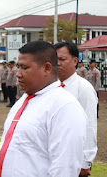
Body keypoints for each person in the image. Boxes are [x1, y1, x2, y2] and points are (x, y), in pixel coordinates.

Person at [0, 41, 86, 177]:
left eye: (24, 68)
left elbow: (64, 167)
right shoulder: (24, 101)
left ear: (47, 68)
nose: (18, 74)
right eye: (18, 67)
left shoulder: (65, 106)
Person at [55, 42, 97, 177]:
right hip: (53, 154)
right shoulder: (51, 86)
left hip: (74, 157)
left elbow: (90, 125)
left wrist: (85, 162)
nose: (58, 63)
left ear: (75, 60)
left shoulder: (83, 88)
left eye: (62, 59)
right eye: (55, 59)